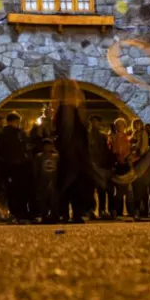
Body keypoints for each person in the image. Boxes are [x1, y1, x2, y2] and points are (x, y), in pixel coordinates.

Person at [52, 78, 94, 223]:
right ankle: (69, 213)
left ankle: (71, 213)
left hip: (72, 156)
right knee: (70, 185)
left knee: (73, 186)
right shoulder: (68, 112)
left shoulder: (68, 112)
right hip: (70, 156)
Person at [0, 112, 29, 221]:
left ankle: (17, 212)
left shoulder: (3, 134)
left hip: (11, 166)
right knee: (17, 190)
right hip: (15, 166)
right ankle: (19, 212)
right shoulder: (15, 133)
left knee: (13, 190)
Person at [87, 115, 113, 219]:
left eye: (96, 121)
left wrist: (107, 165)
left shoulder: (103, 136)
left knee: (101, 189)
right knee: (90, 190)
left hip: (101, 166)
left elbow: (106, 151)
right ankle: (91, 210)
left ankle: (102, 210)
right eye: (92, 121)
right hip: (90, 166)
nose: (94, 123)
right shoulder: (87, 135)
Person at [34, 137, 59, 222]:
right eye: (46, 146)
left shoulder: (55, 156)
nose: (48, 148)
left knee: (53, 198)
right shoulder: (39, 157)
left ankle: (54, 215)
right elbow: (36, 169)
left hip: (53, 180)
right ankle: (44, 215)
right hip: (43, 181)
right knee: (43, 199)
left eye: (49, 146)